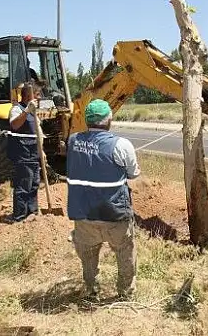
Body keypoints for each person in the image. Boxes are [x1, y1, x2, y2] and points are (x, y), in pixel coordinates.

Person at [66, 99, 141, 299]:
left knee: (88, 256)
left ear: (87, 120)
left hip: (83, 214)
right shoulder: (122, 144)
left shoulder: (72, 141)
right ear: (109, 119)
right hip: (114, 214)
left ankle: (91, 290)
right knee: (125, 252)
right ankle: (125, 292)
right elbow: (133, 174)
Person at [8, 83, 42, 222]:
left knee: (34, 183)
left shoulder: (34, 112)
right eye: (37, 95)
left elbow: (37, 132)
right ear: (29, 95)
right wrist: (27, 111)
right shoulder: (17, 109)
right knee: (23, 184)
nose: (39, 98)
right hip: (22, 153)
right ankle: (19, 216)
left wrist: (42, 152)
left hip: (33, 153)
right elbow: (15, 124)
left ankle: (32, 212)